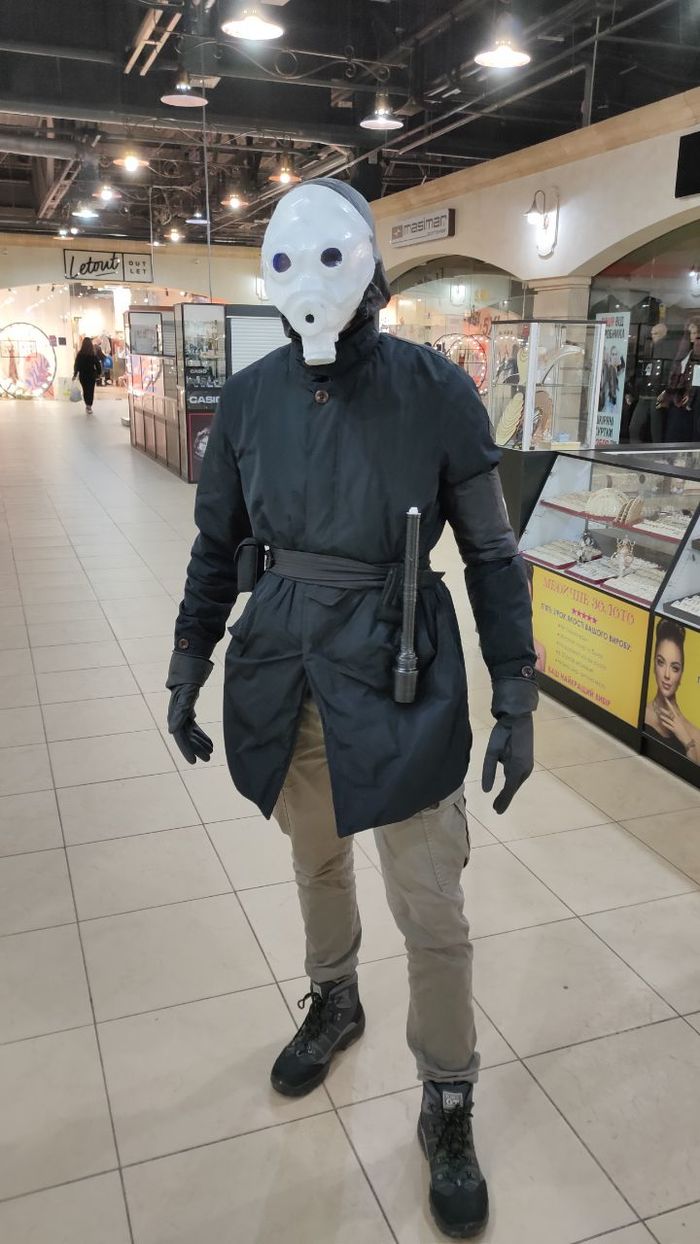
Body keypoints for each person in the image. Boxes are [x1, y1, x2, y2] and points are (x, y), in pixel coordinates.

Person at [166, 178, 537, 1240]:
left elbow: (492, 552)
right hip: (288, 665)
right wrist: (188, 659)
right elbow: (215, 547)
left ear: (369, 270)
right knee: (315, 859)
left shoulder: (436, 389)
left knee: (431, 903)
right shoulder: (250, 401)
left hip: (401, 668)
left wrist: (515, 693)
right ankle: (335, 995)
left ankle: (448, 1091)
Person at [644, 618, 699, 762]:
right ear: (654, 666)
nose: (667, 675)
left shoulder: (694, 733)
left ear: (681, 675)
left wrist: (686, 739)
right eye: (661, 662)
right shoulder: (641, 713)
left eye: (675, 668)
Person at [72, 337, 101, 413]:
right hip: (91, 375)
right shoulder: (93, 354)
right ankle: (89, 406)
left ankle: (87, 405)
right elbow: (98, 364)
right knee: (91, 391)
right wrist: (99, 373)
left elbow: (76, 365)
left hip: (83, 376)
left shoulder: (80, 354)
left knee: (85, 390)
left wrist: (75, 374)